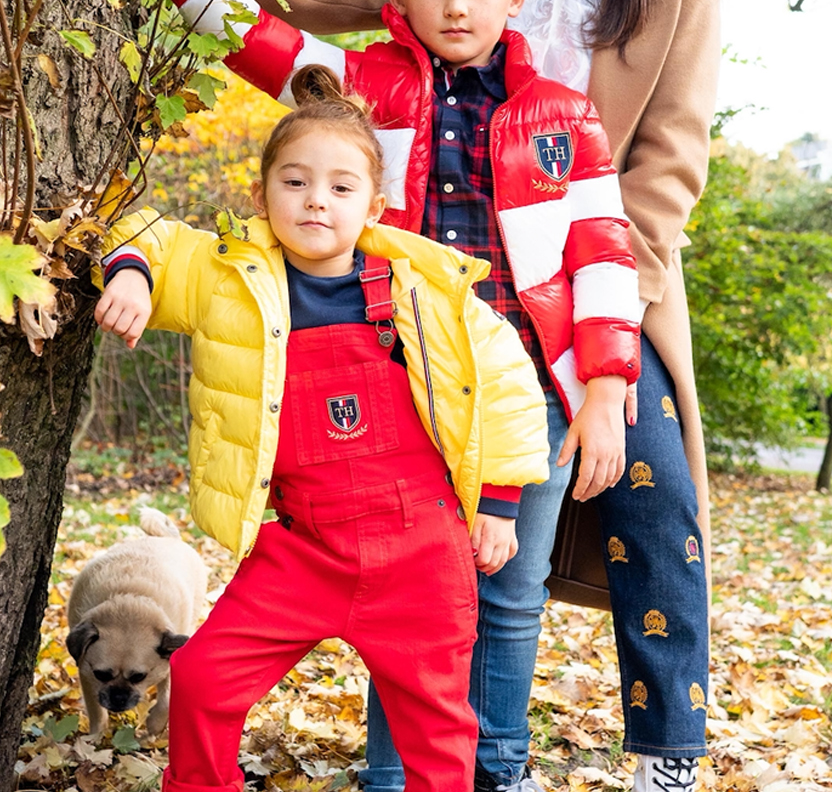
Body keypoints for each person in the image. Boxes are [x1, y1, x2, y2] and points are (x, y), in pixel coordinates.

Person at [144, 0, 718, 781]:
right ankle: (407, 765)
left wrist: (603, 362)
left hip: (583, 290)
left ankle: (664, 747)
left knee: (653, 493)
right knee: (420, 570)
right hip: (419, 340)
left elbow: (658, 173)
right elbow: (291, 6)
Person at [91, 76, 551, 792]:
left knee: (436, 730)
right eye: (295, 180)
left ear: (373, 205)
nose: (315, 199)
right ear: (262, 194)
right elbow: (143, 230)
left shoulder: (422, 288)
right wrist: (132, 274)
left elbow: (508, 384)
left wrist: (498, 498)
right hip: (303, 544)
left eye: (340, 187)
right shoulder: (230, 280)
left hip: (420, 551)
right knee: (205, 678)